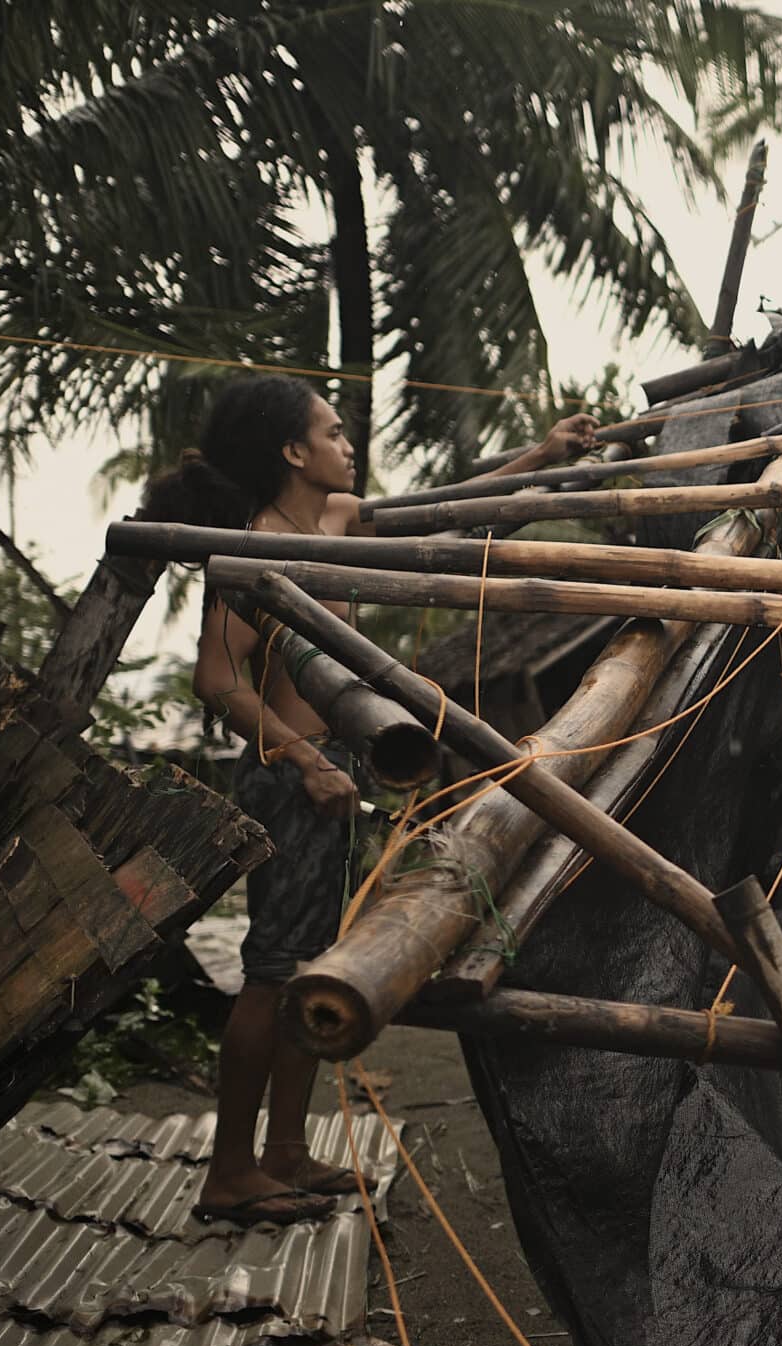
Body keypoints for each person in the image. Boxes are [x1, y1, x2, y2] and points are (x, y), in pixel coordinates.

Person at [155, 377, 597, 1223]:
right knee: (269, 974)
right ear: (293, 452)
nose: (345, 441)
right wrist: (304, 761)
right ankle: (230, 1171)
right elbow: (216, 678)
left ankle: (285, 1151)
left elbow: (446, 508)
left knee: (306, 965)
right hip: (292, 778)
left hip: (334, 771)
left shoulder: (337, 519)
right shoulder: (253, 544)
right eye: (329, 430)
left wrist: (540, 455)